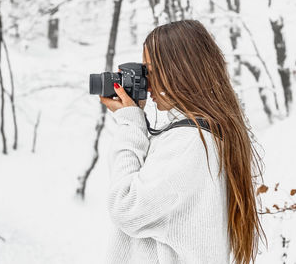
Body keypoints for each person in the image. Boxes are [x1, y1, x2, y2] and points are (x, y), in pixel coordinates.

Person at [99, 19, 266, 264]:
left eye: (152, 71)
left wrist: (130, 123)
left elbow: (127, 206)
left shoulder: (191, 141)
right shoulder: (208, 134)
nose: (147, 83)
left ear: (182, 71)